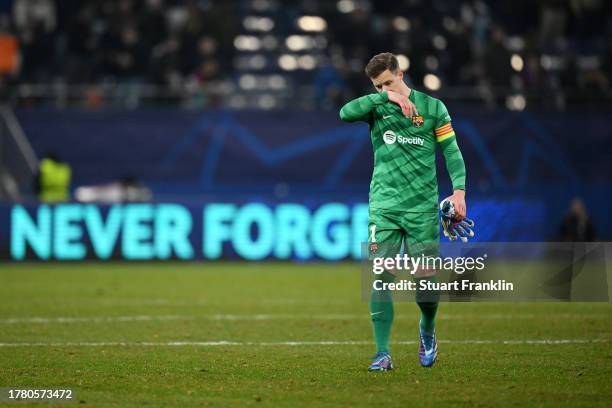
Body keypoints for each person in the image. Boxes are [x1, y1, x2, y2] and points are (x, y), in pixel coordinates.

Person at [339, 53, 470, 370]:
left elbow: (451, 151)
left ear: (401, 73)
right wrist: (386, 97)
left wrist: (459, 192)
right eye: (377, 85)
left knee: (424, 281)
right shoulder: (377, 106)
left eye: (388, 82)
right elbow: (345, 113)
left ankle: (427, 328)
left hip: (421, 208)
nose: (384, 89)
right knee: (380, 275)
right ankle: (382, 353)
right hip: (383, 207)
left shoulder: (433, 108)